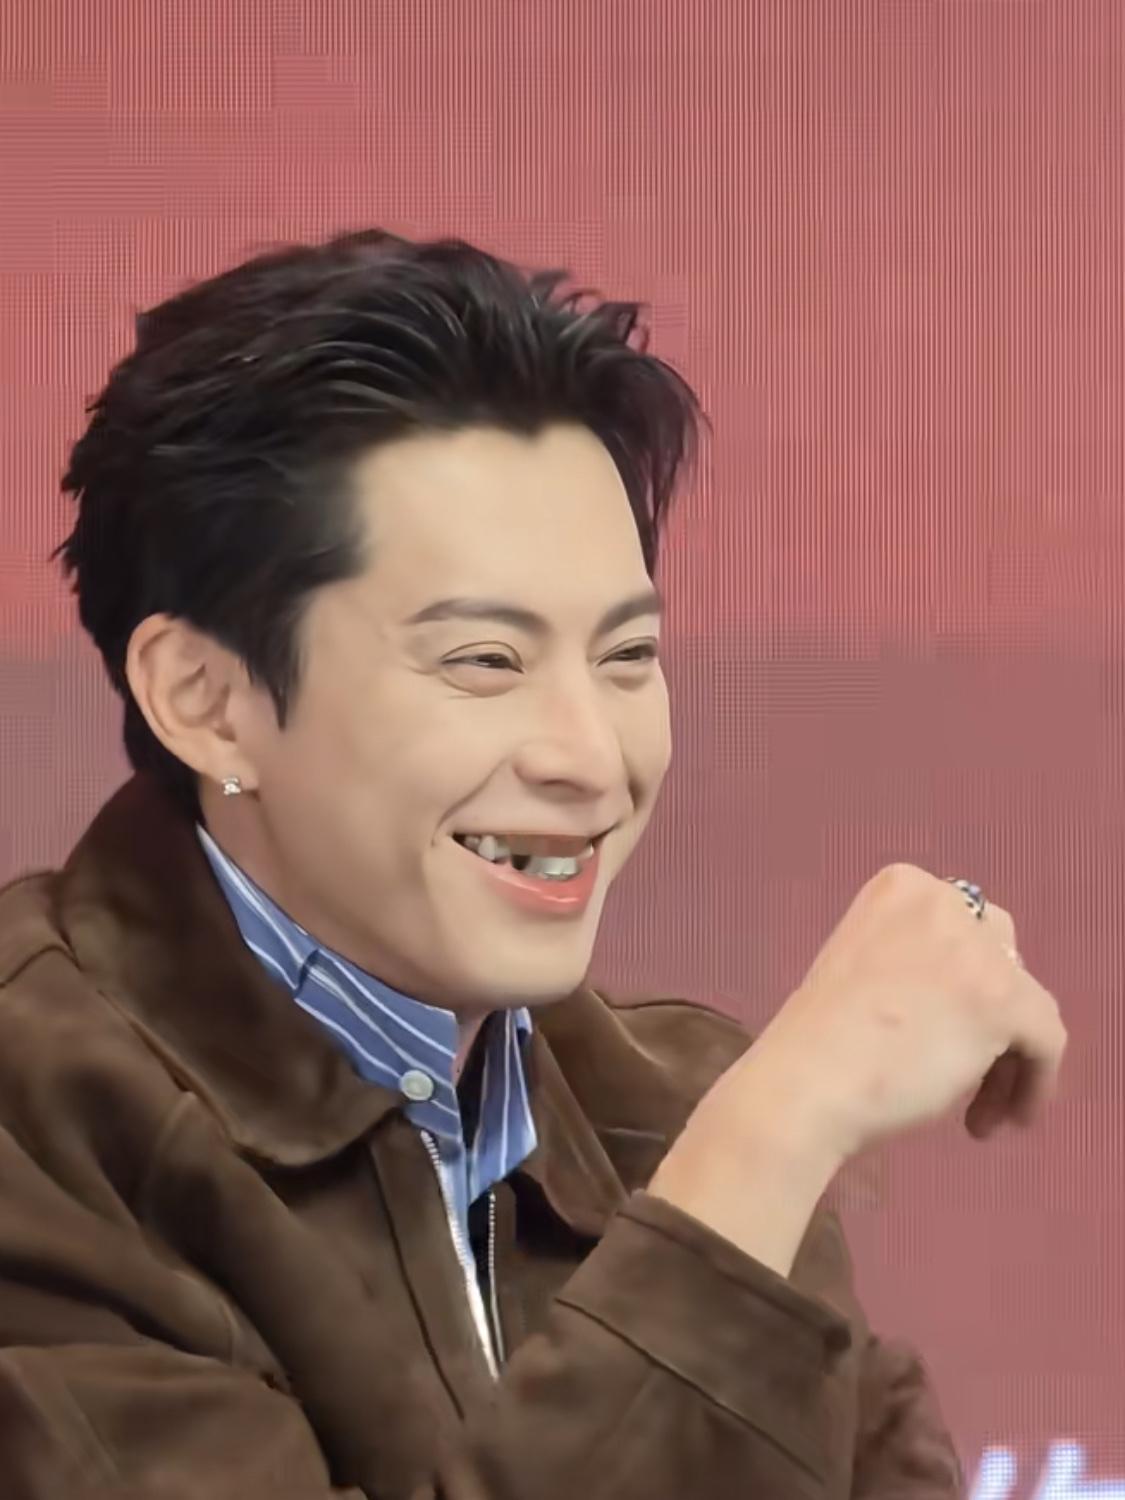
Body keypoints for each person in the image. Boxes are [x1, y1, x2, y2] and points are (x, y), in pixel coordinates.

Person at [0, 229, 1066, 1500]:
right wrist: (770, 1138)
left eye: (627, 659)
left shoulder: (673, 1103)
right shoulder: (37, 1119)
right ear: (207, 699)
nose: (590, 758)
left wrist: (747, 1143)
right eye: (485, 662)